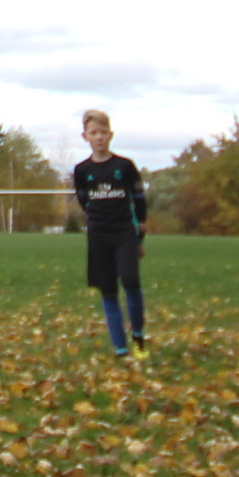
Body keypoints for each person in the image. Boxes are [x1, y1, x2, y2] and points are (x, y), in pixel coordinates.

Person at [72, 109, 148, 360]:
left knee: (130, 280)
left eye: (103, 132)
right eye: (94, 133)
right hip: (98, 237)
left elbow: (138, 199)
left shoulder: (125, 167)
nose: (99, 137)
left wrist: (140, 232)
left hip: (124, 233)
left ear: (111, 134)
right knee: (108, 290)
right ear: (86, 137)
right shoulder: (82, 171)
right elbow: (85, 201)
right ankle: (121, 349)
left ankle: (137, 333)